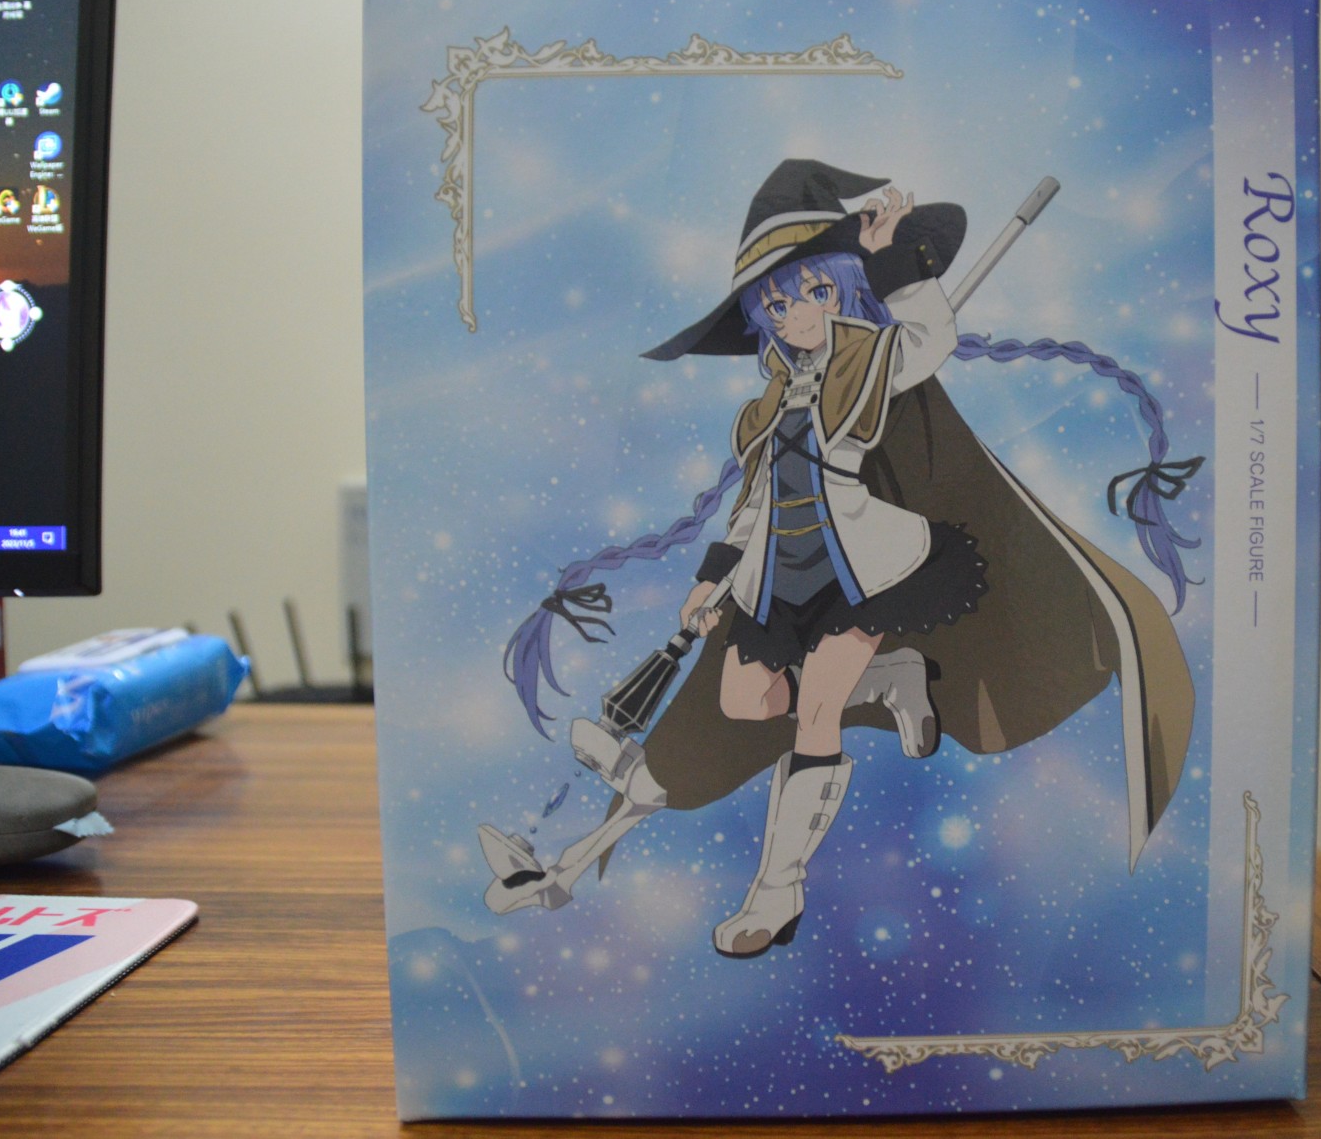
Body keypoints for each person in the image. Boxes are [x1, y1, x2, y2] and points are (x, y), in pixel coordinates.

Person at [487, 161, 1199, 960]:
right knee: (747, 699)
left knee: (818, 711)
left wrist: (891, 261)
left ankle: (776, 892)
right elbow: (754, 503)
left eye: (814, 292)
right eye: (777, 305)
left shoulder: (869, 361)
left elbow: (929, 340)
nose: (796, 315)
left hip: (863, 571)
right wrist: (712, 577)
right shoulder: (764, 407)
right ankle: (891, 680)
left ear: (844, 288)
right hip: (781, 575)